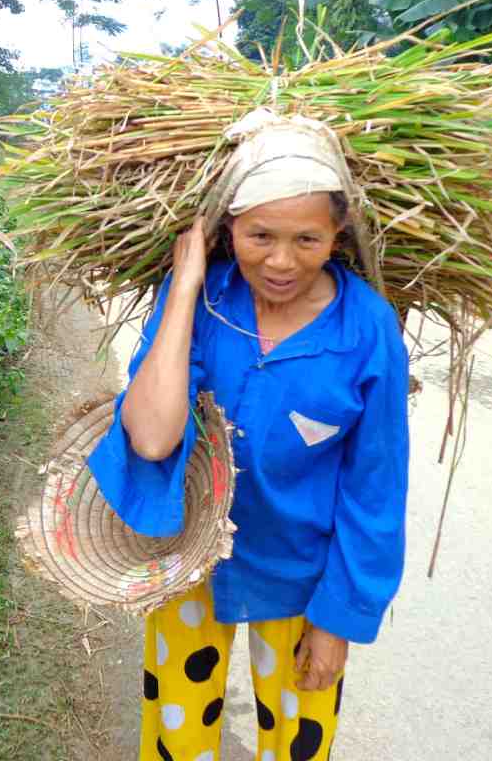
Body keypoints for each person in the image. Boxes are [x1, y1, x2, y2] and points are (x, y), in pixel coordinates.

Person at [88, 109, 410, 761]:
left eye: (307, 240)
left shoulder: (367, 329)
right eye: (259, 235)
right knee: (176, 745)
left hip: (303, 579)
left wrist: (339, 617)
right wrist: (182, 288)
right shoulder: (205, 305)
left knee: (297, 747)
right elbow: (151, 437)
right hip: (189, 566)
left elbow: (375, 487)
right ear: (226, 225)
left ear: (338, 231)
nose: (282, 262)